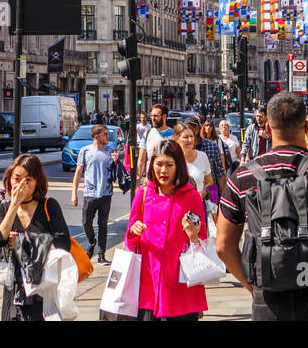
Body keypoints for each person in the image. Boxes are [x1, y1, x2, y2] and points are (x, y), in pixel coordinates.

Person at [216, 92, 308, 321]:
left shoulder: (243, 177)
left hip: (268, 302)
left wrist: (255, 286)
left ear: (268, 127)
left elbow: (222, 246)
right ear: (307, 125)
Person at [125, 138, 209, 320]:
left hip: (181, 287)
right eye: (159, 164)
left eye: (169, 165)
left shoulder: (191, 197)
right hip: (148, 287)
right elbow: (130, 241)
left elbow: (202, 239)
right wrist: (133, 231)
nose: (163, 170)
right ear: (152, 165)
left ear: (178, 166)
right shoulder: (143, 194)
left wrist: (193, 236)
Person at [0, 154, 71, 321]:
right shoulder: (3, 210)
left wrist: (22, 242)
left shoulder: (49, 206)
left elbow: (63, 244)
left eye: (28, 179)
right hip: (14, 288)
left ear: (37, 182)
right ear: (9, 179)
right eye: (17, 178)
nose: (21, 184)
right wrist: (14, 204)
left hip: (43, 287)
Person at [70, 124, 121, 263]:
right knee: (86, 222)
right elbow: (78, 172)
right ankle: (92, 242)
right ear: (97, 137)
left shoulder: (110, 150)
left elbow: (116, 173)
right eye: (105, 134)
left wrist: (116, 161)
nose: (107, 137)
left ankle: (101, 254)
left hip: (105, 193)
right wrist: (74, 194)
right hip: (89, 193)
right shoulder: (85, 151)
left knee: (103, 224)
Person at [173, 121, 213, 201]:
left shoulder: (202, 156)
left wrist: (204, 192)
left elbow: (210, 183)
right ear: (176, 139)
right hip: (177, 207)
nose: (190, 140)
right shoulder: (171, 159)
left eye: (192, 136)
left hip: (197, 206)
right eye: (186, 137)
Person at [137, 104, 174, 185]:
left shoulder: (174, 135)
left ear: (164, 116)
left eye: (156, 116)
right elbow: (141, 160)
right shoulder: (147, 134)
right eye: (151, 116)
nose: (153, 119)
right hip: (151, 180)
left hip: (169, 180)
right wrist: (138, 181)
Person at [199, 119, 227, 204]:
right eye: (206, 125)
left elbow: (221, 156)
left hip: (212, 179)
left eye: (210, 126)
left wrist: (223, 170)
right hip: (201, 180)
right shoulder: (199, 141)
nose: (208, 128)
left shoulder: (216, 141)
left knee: (213, 205)